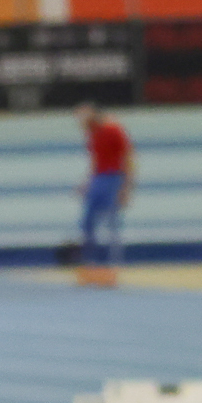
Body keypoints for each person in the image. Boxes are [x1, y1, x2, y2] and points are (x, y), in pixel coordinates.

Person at [76, 104, 133, 285]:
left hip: (114, 178)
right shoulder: (92, 135)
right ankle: (90, 266)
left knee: (112, 224)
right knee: (87, 223)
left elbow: (128, 158)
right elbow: (95, 161)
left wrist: (126, 188)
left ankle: (112, 268)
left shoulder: (113, 130)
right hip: (98, 179)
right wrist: (87, 184)